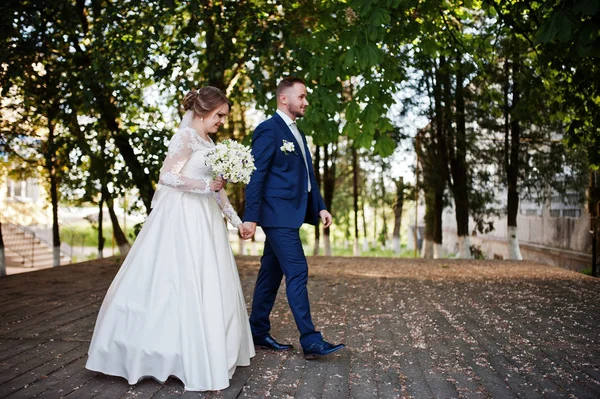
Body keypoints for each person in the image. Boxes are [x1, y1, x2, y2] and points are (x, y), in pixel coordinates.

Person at [85, 87, 255, 391]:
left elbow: (217, 189)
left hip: (205, 220)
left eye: (224, 117)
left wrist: (237, 221)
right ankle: (164, 353)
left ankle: (208, 349)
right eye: (219, 115)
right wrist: (205, 184)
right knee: (175, 283)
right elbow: (167, 177)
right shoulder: (186, 137)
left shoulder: (209, 141)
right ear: (203, 111)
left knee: (206, 283)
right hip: (182, 218)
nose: (222, 121)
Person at [241, 77, 345, 359]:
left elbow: (308, 176)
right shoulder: (268, 130)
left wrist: (320, 206)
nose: (306, 101)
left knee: (270, 275)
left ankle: (257, 331)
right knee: (297, 271)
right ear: (284, 99)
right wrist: (250, 216)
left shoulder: (297, 132)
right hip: (276, 215)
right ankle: (311, 341)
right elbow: (256, 174)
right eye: (302, 96)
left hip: (291, 214)